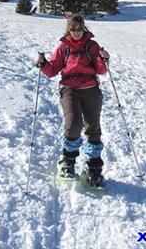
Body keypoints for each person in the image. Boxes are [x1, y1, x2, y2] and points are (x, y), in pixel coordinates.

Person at [37, 14, 109, 187]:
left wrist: (103, 58)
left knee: (93, 127)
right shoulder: (64, 47)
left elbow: (100, 70)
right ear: (68, 29)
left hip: (90, 89)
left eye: (80, 29)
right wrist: (43, 63)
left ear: (84, 28)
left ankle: (93, 168)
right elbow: (53, 69)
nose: (77, 32)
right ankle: (68, 162)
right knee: (73, 123)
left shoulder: (92, 46)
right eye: (73, 29)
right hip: (69, 89)